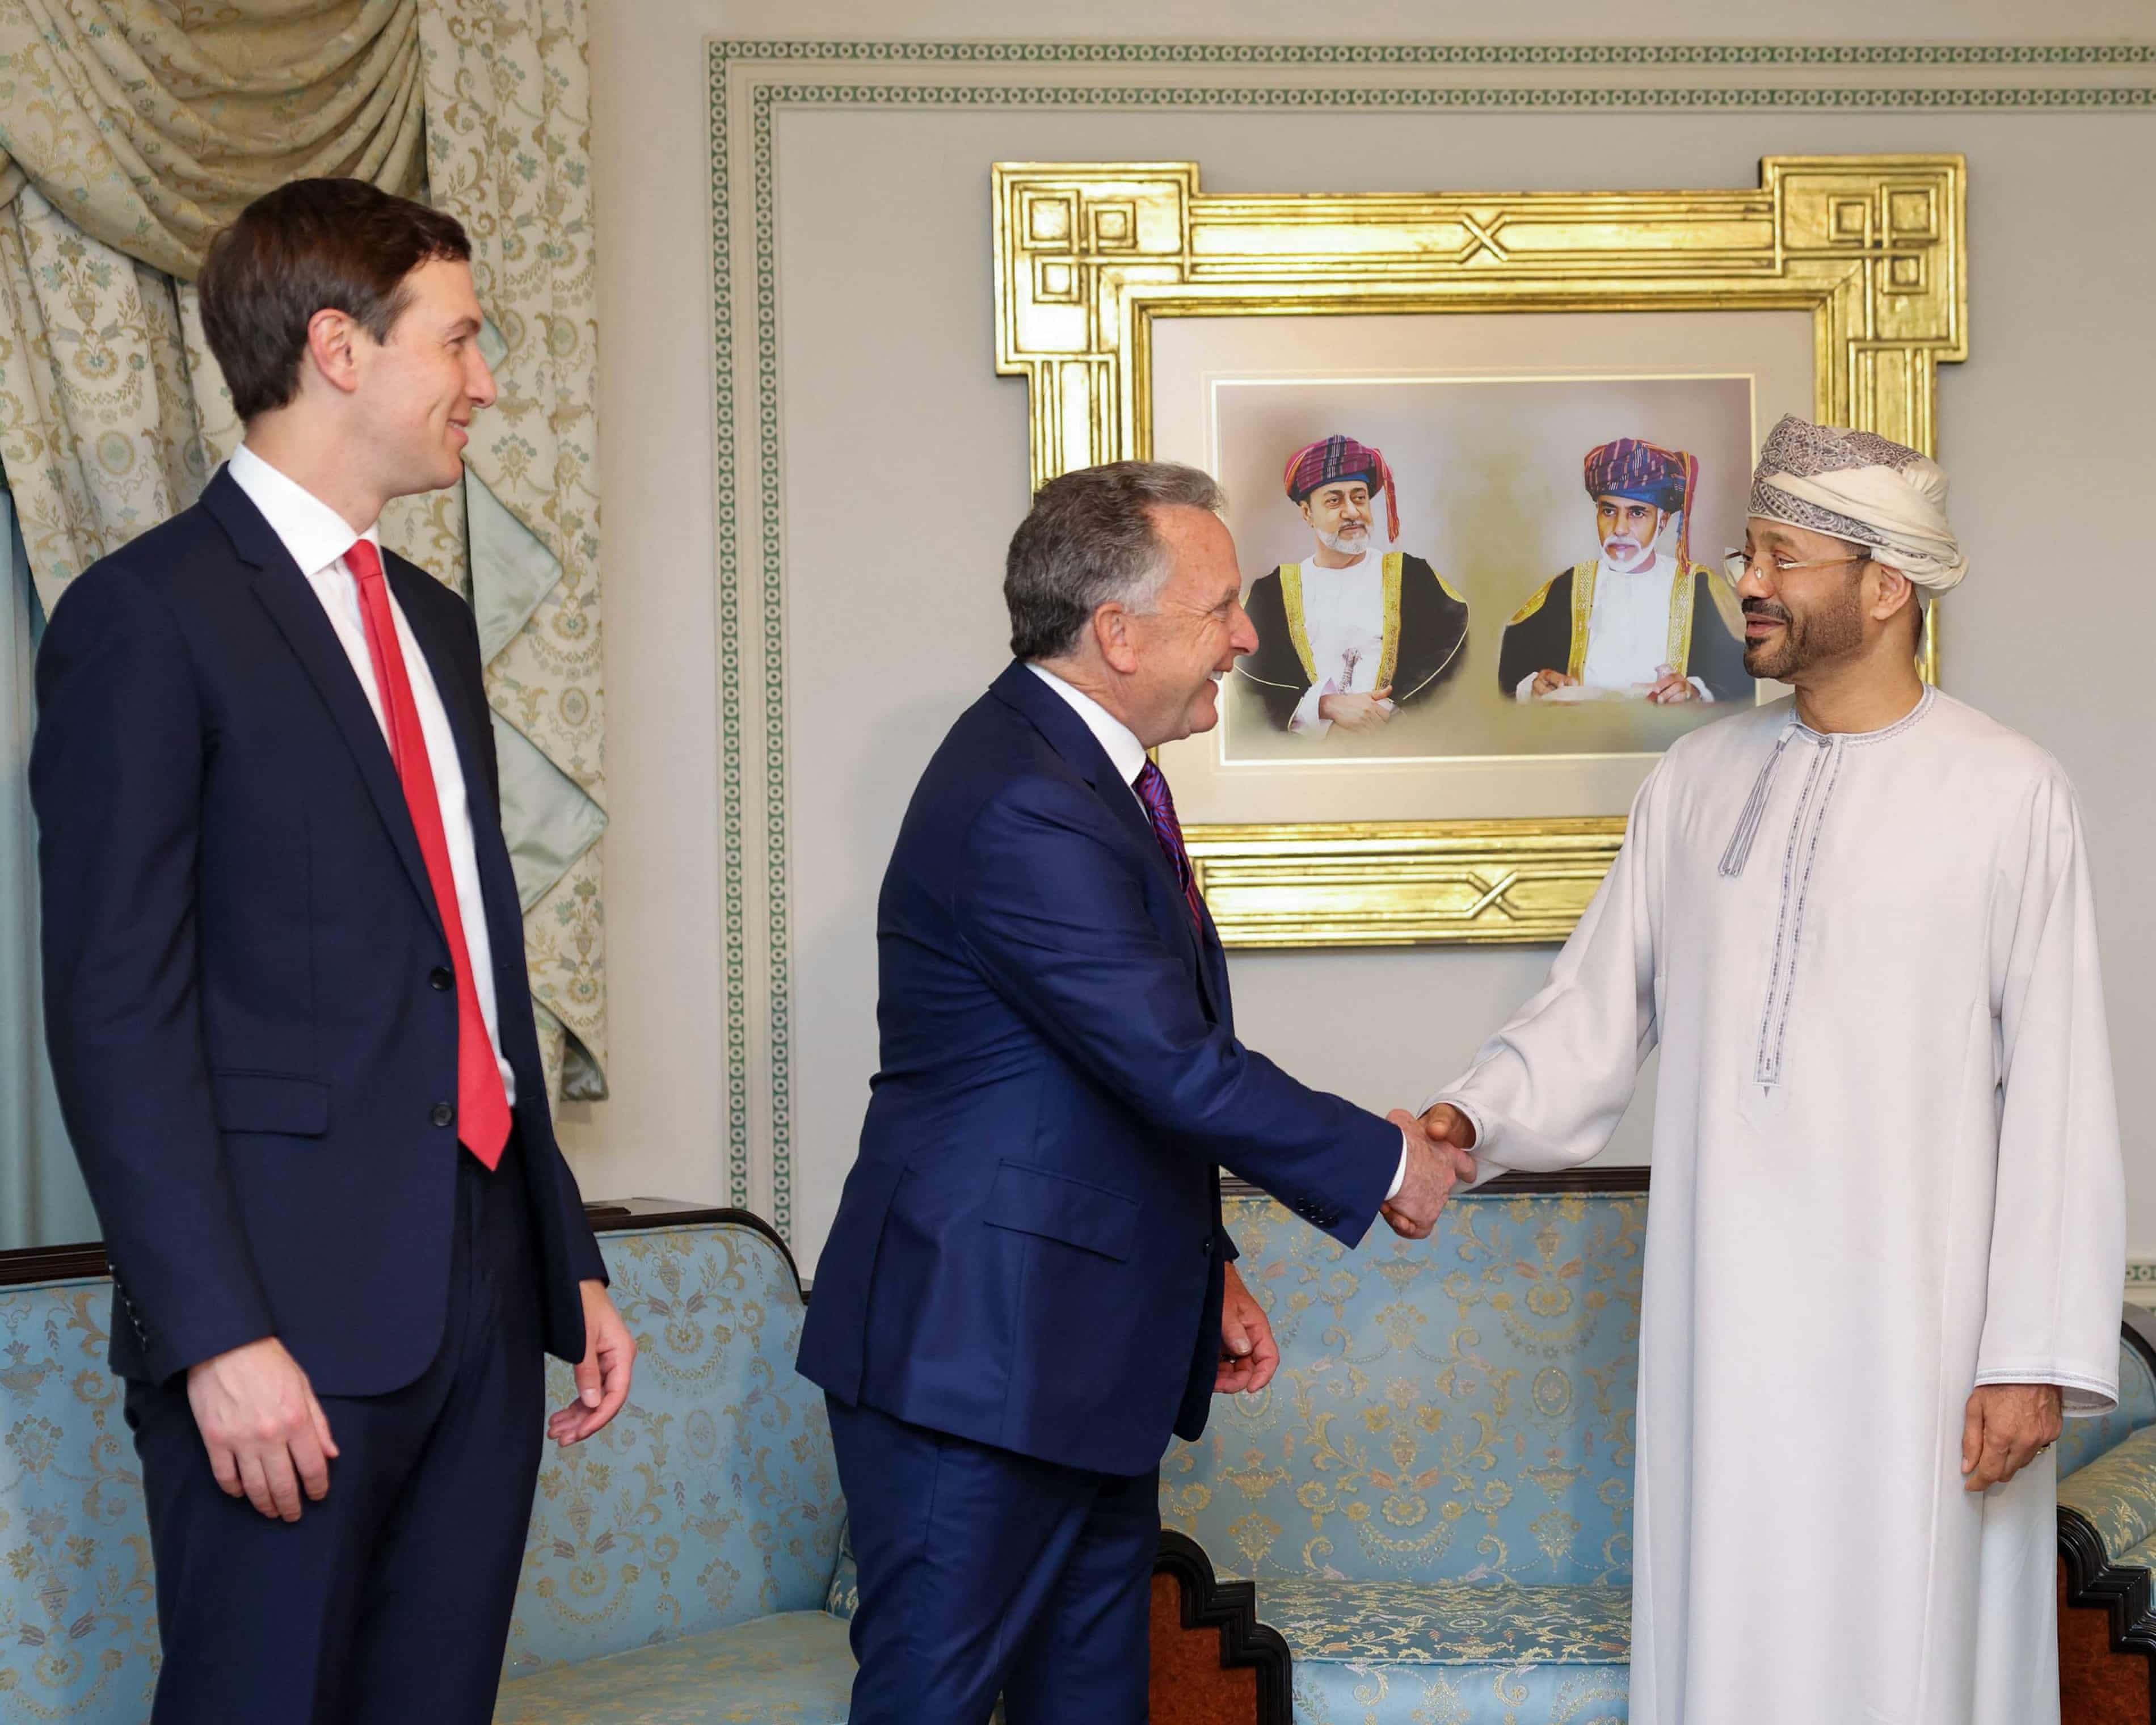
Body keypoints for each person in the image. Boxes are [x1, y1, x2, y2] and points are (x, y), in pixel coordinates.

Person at [1407, 415, 2125, 1725]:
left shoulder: (2007, 793)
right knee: (1730, 1623)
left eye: (1780, 556)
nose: (1745, 581)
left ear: (1883, 584)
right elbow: (1593, 1000)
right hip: (1724, 1320)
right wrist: (1467, 1116)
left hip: (1921, 1343)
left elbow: (2060, 1089)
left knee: (1913, 1644)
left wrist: (2028, 1353)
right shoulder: (1694, 779)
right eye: (1747, 551)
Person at [30, 179, 635, 1725]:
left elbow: (472, 963)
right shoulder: (143, 618)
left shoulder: (431, 621)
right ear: (339, 348)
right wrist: (216, 1336)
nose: (485, 382)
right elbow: (115, 1013)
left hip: (480, 1299)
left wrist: (561, 1256)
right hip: (279, 1319)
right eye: (461, 339)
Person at [798, 461, 1475, 1724]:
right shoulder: (1022, 799)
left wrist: (1205, 1266)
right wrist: (1389, 1163)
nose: (1246, 636)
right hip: (979, 1360)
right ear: (1117, 631)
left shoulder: (1077, 772)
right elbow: (1172, 1061)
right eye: (1219, 608)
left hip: (1074, 1355)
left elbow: (1100, 1083)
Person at [1237, 434, 1468, 735]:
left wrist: (1382, 715)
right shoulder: (1270, 595)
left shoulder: (1414, 578)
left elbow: (1452, 654)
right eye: (1334, 501)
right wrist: (1323, 706)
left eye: (1359, 498)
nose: (1352, 512)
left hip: (1399, 742)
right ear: (1307, 513)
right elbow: (1252, 682)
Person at [1497, 436, 1747, 704]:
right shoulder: (1567, 587)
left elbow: (1744, 679)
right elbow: (1513, 671)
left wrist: (1695, 691)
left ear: (1662, 521)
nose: (1619, 529)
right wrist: (1534, 685)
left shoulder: (1700, 587)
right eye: (1609, 511)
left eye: (1637, 513)